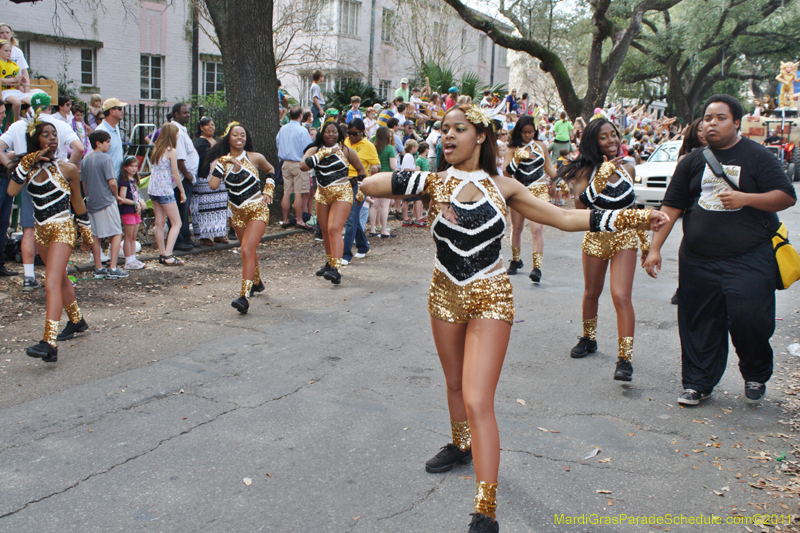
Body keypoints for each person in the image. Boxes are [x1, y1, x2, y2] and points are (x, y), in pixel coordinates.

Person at [361, 104, 667, 533]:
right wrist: (415, 180)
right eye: (443, 130)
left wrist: (630, 216)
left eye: (459, 129)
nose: (448, 136)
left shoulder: (504, 186)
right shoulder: (433, 183)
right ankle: (460, 444)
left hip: (491, 294)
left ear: (480, 136)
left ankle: (485, 510)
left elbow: (563, 217)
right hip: (444, 292)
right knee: (453, 384)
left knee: (477, 398)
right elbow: (372, 183)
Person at [644, 94, 797, 406]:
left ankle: (754, 374)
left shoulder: (758, 157)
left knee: (750, 319)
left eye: (720, 118)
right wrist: (654, 248)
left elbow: (786, 196)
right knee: (698, 323)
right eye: (707, 118)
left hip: (749, 259)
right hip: (698, 261)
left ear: (736, 122)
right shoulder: (692, 161)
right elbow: (671, 207)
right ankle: (698, 383)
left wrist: (746, 199)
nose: (711, 123)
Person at [559, 117, 652, 382]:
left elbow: (632, 209)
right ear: (593, 141)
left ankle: (625, 359)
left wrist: (644, 242)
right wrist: (599, 178)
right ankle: (589, 339)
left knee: (621, 296)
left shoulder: (628, 169)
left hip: (624, 239)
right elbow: (580, 208)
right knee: (592, 292)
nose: (612, 140)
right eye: (604, 136)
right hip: (596, 238)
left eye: (614, 134)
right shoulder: (584, 171)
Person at [7, 119, 95, 363]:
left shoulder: (68, 169)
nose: (52, 138)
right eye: (46, 135)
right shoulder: (29, 168)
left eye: (54, 134)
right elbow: (12, 191)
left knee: (51, 283)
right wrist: (26, 161)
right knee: (61, 278)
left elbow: (78, 202)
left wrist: (86, 235)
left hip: (63, 229)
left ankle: (49, 342)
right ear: (36, 141)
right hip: (41, 231)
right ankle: (77, 320)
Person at [0, 92, 84, 291]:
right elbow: (79, 148)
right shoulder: (59, 125)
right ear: (50, 106)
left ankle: (29, 276)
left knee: (29, 228)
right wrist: (66, 173)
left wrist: (13, 169)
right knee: (58, 229)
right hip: (55, 185)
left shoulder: (19, 124)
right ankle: (59, 277)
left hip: (28, 180)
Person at [206, 122, 275, 313]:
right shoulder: (221, 161)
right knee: (249, 250)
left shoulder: (255, 157)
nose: (239, 138)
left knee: (246, 249)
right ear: (228, 137)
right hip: (236, 213)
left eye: (242, 135)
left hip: (257, 209)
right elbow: (212, 185)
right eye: (235, 135)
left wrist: (268, 191)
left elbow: (271, 170)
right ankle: (257, 282)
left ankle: (244, 297)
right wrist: (224, 164)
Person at [301, 117, 366, 284]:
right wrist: (323, 153)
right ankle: (330, 262)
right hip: (322, 193)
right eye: (327, 131)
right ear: (322, 133)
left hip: (342, 192)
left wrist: (359, 190)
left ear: (339, 134)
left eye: (334, 132)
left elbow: (360, 170)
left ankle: (336, 268)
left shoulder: (346, 150)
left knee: (334, 228)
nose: (331, 134)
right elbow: (304, 166)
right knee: (324, 230)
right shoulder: (315, 149)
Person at [503, 115, 558, 282]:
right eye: (524, 132)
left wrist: (561, 182)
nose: (528, 135)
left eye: (531, 132)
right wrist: (517, 159)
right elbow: (506, 173)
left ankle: (537, 267)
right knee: (517, 228)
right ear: (519, 132)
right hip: (518, 191)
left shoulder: (541, 146)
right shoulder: (512, 148)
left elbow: (549, 168)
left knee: (537, 229)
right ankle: (516, 260)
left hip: (539, 190)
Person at [82, 130, 128, 279]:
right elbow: (112, 182)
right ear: (99, 143)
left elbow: (83, 182)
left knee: (95, 235)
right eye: (107, 142)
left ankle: (98, 267)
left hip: (91, 201)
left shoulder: (86, 159)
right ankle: (113, 268)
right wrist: (116, 196)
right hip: (106, 200)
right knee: (116, 233)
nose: (109, 144)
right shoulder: (106, 159)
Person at [147, 123, 186, 266]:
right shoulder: (171, 151)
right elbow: (175, 174)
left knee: (159, 222)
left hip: (154, 188)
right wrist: (182, 191)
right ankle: (169, 254)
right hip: (165, 189)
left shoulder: (157, 149)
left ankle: (162, 253)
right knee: (177, 222)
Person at [342, 118, 379, 263]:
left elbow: (377, 164)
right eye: (349, 133)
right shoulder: (344, 142)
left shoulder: (368, 146)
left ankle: (345, 254)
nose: (352, 136)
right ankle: (363, 246)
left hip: (358, 184)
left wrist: (375, 169)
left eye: (355, 134)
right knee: (353, 218)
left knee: (351, 219)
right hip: (343, 183)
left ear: (362, 132)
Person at [191, 116, 229, 245]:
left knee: (219, 206)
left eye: (212, 125)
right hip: (204, 178)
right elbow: (202, 161)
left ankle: (219, 233)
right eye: (208, 125)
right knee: (205, 209)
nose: (211, 127)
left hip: (218, 177)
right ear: (201, 128)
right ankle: (204, 235)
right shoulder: (200, 143)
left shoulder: (215, 141)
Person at [277, 107, 314, 230]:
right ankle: (299, 220)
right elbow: (308, 147)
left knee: (287, 192)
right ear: (300, 116)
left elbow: (277, 143)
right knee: (298, 192)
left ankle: (285, 219)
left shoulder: (282, 129)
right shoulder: (302, 130)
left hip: (285, 163)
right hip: (298, 163)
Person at [171, 102, 200, 251]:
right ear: (176, 114)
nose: (187, 115)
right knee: (180, 208)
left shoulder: (182, 130)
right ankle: (178, 240)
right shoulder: (177, 132)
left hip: (186, 177)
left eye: (188, 112)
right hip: (182, 179)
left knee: (184, 209)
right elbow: (179, 157)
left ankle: (186, 237)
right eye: (184, 112)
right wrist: (188, 175)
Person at [117, 155, 147, 270]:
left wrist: (141, 201)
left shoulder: (134, 181)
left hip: (136, 211)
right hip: (128, 211)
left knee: (134, 236)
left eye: (136, 166)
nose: (134, 169)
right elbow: (122, 198)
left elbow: (138, 194)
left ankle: (133, 258)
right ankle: (128, 260)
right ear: (125, 167)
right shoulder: (124, 182)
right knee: (128, 237)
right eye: (131, 166)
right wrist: (135, 203)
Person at [368, 126, 397, 238]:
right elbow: (393, 166)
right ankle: (384, 230)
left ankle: (372, 229)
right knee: (385, 205)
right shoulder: (389, 148)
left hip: (375, 176)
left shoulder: (372, 147)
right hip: (386, 177)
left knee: (374, 205)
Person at [0, 104, 17, 276]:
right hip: (1, 178)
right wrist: (11, 156)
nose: (3, 116)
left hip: (5, 179)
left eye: (4, 112)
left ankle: (0, 263)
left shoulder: (2, 131)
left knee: (4, 222)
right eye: (1, 113)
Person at [0, 39, 35, 121]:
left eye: (10, 51)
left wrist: (21, 81)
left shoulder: (14, 65)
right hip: (3, 91)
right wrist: (13, 79)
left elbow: (17, 82)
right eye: (6, 51)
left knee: (34, 102)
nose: (9, 53)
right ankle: (18, 119)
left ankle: (27, 117)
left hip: (14, 90)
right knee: (17, 102)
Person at [95, 97, 125, 175]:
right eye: (119, 108)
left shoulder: (116, 128)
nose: (122, 111)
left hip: (116, 179)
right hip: (107, 181)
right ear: (111, 111)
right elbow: (97, 159)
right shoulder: (101, 131)